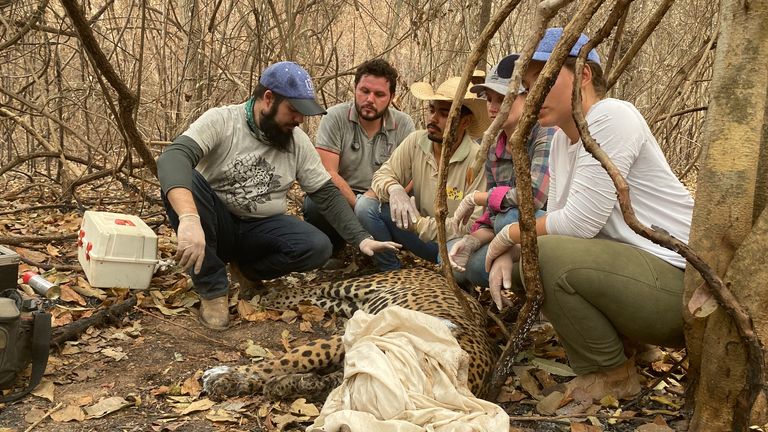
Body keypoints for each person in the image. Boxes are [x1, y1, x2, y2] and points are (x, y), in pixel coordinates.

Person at [484, 29, 694, 401]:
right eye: (528, 86)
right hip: (643, 280)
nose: (533, 95)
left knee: (544, 255)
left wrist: (507, 236)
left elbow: (580, 223)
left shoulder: (612, 115)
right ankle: (629, 348)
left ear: (583, 75)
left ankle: (610, 375)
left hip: (680, 290)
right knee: (531, 257)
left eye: (545, 81)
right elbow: (564, 222)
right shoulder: (566, 139)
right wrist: (512, 249)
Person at [157, 61, 400, 331]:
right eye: (294, 110)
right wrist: (189, 219)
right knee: (186, 177)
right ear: (269, 99)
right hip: (214, 224)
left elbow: (325, 193)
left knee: (317, 246)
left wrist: (361, 238)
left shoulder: (296, 141)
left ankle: (247, 272)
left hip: (259, 230)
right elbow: (173, 158)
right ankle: (212, 289)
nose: (299, 120)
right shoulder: (223, 121)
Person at [355, 76, 489, 271]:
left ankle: (453, 284)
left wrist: (418, 224)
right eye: (432, 110)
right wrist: (394, 189)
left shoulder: (477, 160)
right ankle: (391, 271)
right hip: (416, 235)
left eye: (444, 114)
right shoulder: (417, 141)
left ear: (465, 121)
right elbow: (382, 175)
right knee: (365, 206)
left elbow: (470, 227)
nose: (432, 119)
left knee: (453, 261)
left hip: (451, 241)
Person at [447, 55, 555, 291]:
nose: (494, 107)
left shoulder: (546, 132)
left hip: (550, 234)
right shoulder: (494, 147)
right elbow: (493, 215)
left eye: (503, 98)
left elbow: (533, 196)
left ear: (528, 98)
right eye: (489, 99)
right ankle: (511, 277)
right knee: (457, 257)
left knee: (509, 217)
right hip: (509, 233)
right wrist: (472, 240)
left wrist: (477, 197)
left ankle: (537, 293)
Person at [303, 59, 415, 260]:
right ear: (355, 89)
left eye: (379, 94)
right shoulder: (334, 117)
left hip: (384, 198)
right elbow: (328, 172)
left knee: (413, 200)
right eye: (364, 91)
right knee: (314, 204)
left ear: (391, 97)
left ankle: (393, 250)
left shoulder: (404, 124)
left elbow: (412, 176)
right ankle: (334, 249)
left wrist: (376, 204)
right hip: (345, 198)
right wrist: (359, 206)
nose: (370, 99)